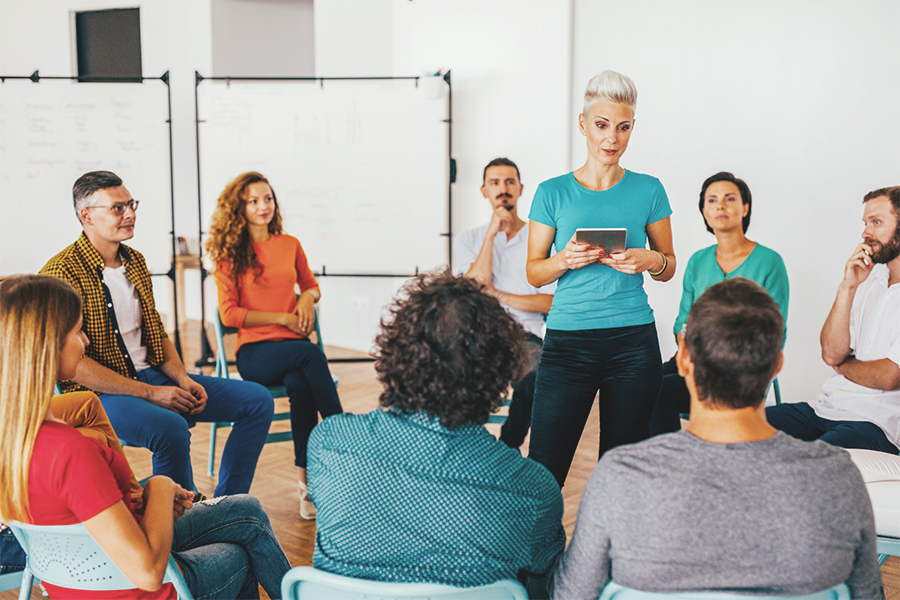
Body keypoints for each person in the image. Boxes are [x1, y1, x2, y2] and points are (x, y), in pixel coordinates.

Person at [552, 278, 881, 599]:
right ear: (776, 365)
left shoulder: (619, 476)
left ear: (683, 358)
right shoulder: (839, 480)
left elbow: (571, 593)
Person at [0, 274, 291, 599]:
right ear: (46, 346)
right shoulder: (70, 452)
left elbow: (85, 405)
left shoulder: (14, 435)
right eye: (78, 331)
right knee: (237, 553)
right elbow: (148, 573)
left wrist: (142, 494)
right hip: (134, 588)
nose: (85, 341)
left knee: (246, 508)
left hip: (74, 581)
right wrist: (161, 487)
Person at [307, 271, 565, 597]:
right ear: (499, 375)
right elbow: (546, 578)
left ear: (394, 352)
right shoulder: (534, 490)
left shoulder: (329, 443)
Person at [40, 170, 273, 498]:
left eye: (131, 204)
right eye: (118, 208)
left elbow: (156, 334)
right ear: (86, 215)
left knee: (257, 401)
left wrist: (183, 379)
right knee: (171, 429)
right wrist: (149, 394)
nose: (130, 214)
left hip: (153, 376)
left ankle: (225, 504)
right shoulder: (60, 273)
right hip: (100, 395)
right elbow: (74, 365)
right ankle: (178, 522)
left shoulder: (136, 261)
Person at [525, 70, 675, 487]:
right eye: (603, 125)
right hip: (568, 343)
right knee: (544, 468)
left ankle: (609, 553)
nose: (612, 138)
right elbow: (534, 273)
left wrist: (650, 260)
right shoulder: (551, 192)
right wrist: (563, 261)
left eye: (623, 127)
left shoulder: (649, 190)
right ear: (583, 125)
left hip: (633, 344)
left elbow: (668, 266)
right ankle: (540, 551)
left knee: (620, 472)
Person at [206, 171, 343, 520]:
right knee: (311, 353)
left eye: (267, 198)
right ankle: (345, 438)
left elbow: (311, 285)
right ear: (239, 208)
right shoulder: (229, 256)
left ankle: (306, 486)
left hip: (292, 350)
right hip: (255, 354)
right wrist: (282, 318)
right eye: (253, 201)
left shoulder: (289, 244)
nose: (263, 206)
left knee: (301, 385)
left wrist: (307, 300)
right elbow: (230, 313)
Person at [649, 172, 789, 435]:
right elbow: (683, 322)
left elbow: (776, 330)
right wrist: (690, 353)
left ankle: (676, 460)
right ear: (704, 210)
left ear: (745, 207)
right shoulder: (697, 262)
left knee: (659, 391)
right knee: (644, 384)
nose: (720, 206)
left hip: (742, 364)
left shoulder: (770, 262)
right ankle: (667, 461)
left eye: (730, 199)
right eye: (712, 200)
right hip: (696, 356)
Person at [766, 186, 900, 455]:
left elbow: (889, 376)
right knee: (744, 428)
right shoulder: (868, 279)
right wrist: (847, 286)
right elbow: (831, 353)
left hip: (876, 423)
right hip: (825, 408)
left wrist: (844, 365)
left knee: (812, 462)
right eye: (865, 223)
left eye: (876, 222)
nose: (865, 233)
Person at [454, 157, 554, 448]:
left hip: (526, 336)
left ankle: (506, 449)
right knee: (452, 374)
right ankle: (469, 447)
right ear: (484, 191)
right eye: (494, 183)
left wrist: (497, 295)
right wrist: (491, 234)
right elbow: (473, 288)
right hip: (482, 334)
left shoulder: (540, 237)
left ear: (521, 189)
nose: (503, 189)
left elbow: (551, 303)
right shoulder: (469, 239)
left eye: (509, 182)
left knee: (533, 378)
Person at [0, 391, 144, 573]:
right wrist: (162, 488)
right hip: (16, 538)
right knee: (88, 436)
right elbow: (149, 572)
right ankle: (131, 502)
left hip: (26, 528)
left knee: (92, 434)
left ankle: (129, 502)